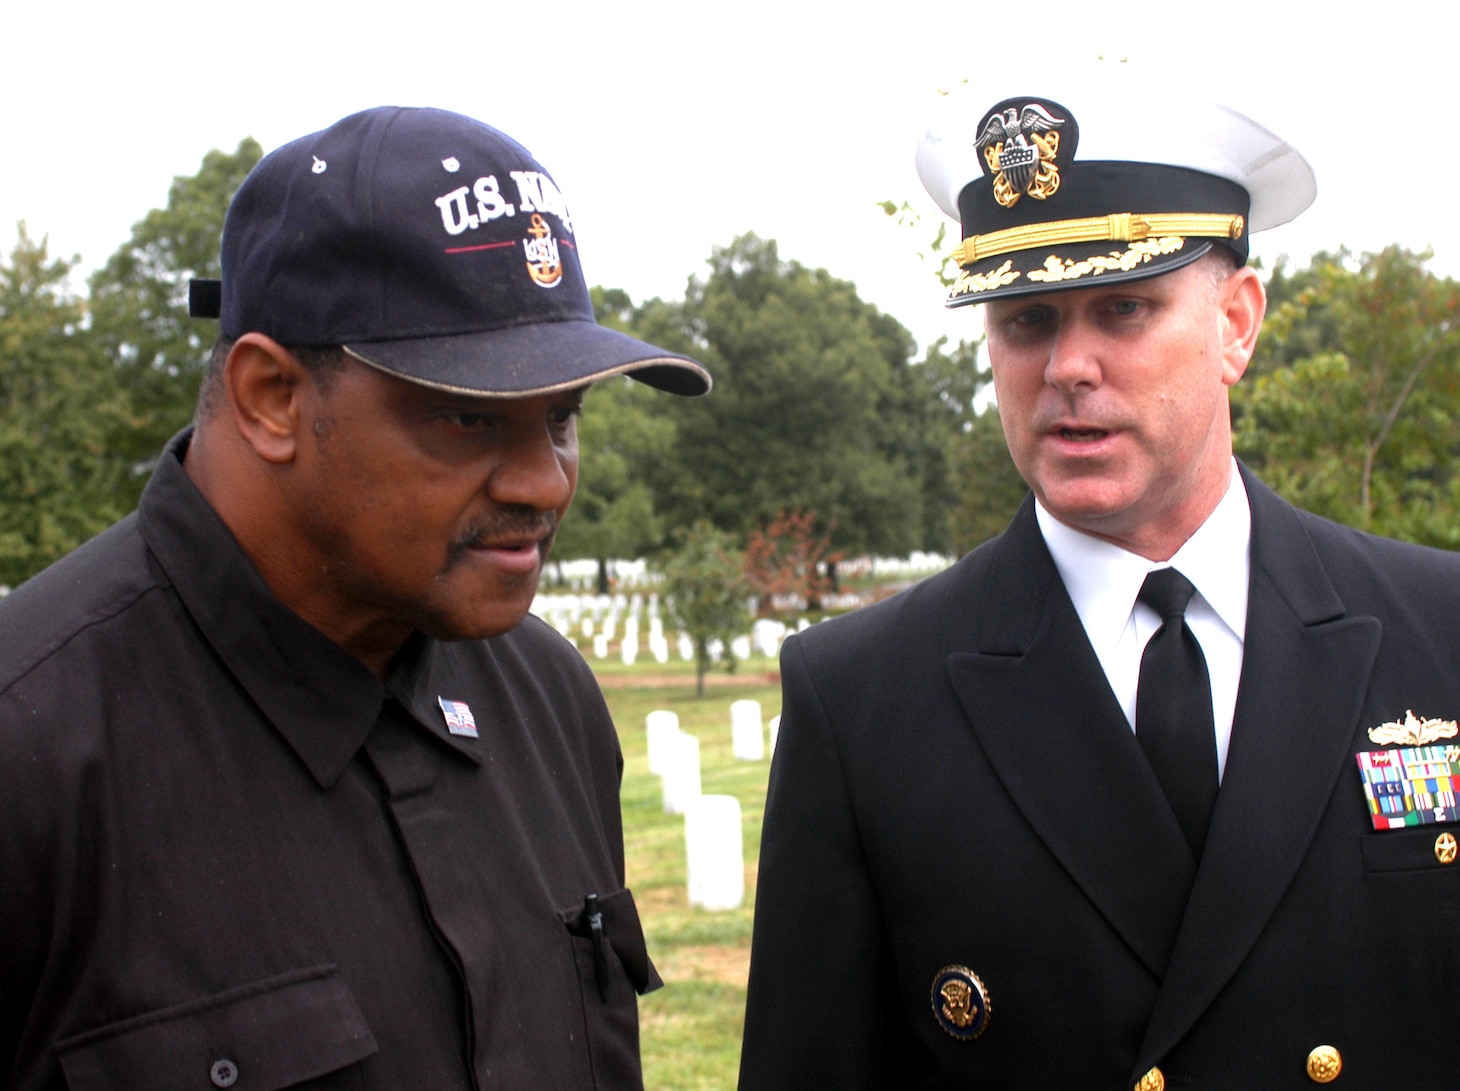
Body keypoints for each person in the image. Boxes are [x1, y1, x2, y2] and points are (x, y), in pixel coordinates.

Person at [739, 66, 1460, 1090]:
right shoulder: (861, 696)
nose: (1066, 366)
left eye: (1122, 308)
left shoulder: (1439, 631)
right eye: (1025, 321)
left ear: (1237, 323)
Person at [0, 106, 709, 1090]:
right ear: (271, 397)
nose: (543, 483)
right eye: (468, 416)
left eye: (562, 417)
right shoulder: (32, 750)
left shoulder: (548, 700)